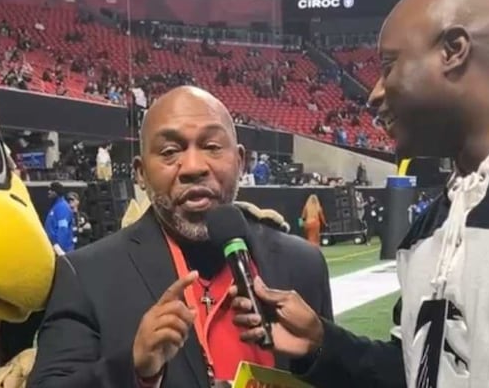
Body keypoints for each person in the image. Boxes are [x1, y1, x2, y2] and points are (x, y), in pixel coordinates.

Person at [232, 0, 489, 388]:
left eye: (389, 66)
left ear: (453, 51)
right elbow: (415, 369)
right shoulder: (429, 227)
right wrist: (325, 344)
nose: (374, 94)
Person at [29, 86, 333, 387]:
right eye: (170, 152)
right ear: (140, 173)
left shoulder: (303, 264)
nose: (193, 167)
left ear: (240, 161)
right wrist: (134, 369)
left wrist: (315, 357)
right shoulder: (86, 276)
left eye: (212, 146)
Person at [44, 181, 75, 253]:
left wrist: (59, 250)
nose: (49, 192)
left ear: (56, 192)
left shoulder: (62, 207)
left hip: (61, 250)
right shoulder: (56, 206)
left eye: (51, 190)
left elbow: (63, 230)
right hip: (54, 248)